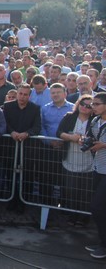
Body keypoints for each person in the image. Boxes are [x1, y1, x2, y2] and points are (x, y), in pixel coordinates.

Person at [57, 95, 94, 225]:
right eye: (83, 104)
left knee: (85, 191)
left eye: (89, 106)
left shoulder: (95, 120)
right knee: (71, 189)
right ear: (78, 104)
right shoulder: (69, 117)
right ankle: (71, 216)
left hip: (89, 161)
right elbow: (59, 132)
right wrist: (71, 137)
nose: (85, 107)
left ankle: (84, 218)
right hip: (70, 160)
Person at [85, 92, 106, 259]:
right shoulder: (95, 121)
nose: (93, 107)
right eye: (93, 104)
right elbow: (91, 140)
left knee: (97, 207)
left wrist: (104, 145)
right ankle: (102, 242)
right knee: (100, 209)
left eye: (97, 104)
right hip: (98, 168)